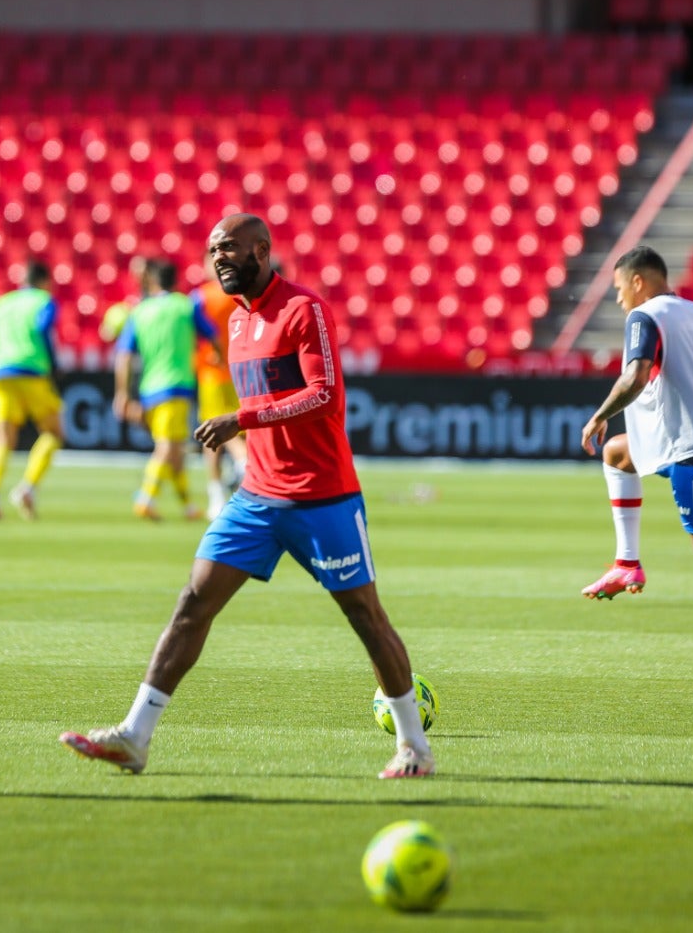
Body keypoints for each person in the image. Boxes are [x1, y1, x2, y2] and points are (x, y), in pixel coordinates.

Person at [63, 213, 435, 780]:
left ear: (262, 250)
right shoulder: (235, 322)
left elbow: (325, 394)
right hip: (257, 498)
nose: (219, 259)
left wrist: (242, 418)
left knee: (365, 616)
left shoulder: (303, 310)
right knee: (193, 602)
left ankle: (414, 748)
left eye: (230, 249)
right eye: (213, 250)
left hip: (322, 497)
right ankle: (134, 737)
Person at [579, 245, 693, 690]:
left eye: (620, 289)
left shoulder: (645, 317)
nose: (619, 300)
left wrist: (600, 415)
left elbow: (635, 375)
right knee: (618, 455)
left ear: (638, 281)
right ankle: (627, 563)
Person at [113, 258, 217, 522]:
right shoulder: (186, 306)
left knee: (175, 449)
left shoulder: (139, 311)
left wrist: (123, 393)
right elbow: (212, 334)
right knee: (168, 447)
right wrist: (218, 355)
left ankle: (187, 506)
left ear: (153, 281)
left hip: (149, 389)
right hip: (177, 386)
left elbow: (124, 356)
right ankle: (146, 497)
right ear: (176, 281)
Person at [0, 260, 64, 520]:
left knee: (2, 440)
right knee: (53, 433)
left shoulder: (0, 303)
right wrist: (53, 363)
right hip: (31, 371)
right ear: (44, 280)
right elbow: (43, 330)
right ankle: (27, 487)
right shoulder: (44, 300)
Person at [191, 250, 247, 519]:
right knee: (241, 424)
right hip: (240, 371)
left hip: (212, 373)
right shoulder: (242, 295)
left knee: (212, 433)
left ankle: (218, 492)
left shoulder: (200, 297)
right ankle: (243, 468)